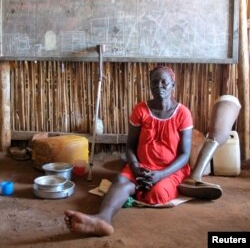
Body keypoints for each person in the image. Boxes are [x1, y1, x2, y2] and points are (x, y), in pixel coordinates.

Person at [64, 65, 194, 236]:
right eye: (154, 82)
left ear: (173, 85)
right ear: (149, 85)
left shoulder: (183, 114)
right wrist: (135, 167)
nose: (159, 86)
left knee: (158, 193)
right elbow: (130, 146)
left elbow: (184, 155)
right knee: (120, 179)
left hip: (169, 170)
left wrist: (161, 175)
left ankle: (137, 189)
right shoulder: (141, 109)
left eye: (164, 82)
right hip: (141, 165)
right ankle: (102, 219)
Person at [178, 94, 241, 199]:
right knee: (217, 136)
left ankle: (194, 176)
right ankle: (194, 177)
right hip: (228, 100)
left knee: (218, 136)